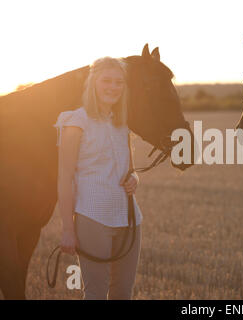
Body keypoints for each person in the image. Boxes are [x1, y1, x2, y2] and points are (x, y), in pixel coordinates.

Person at [54, 57, 142, 300]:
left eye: (119, 82)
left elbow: (130, 169)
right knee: (95, 293)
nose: (113, 87)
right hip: (93, 218)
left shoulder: (122, 123)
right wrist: (68, 229)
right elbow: (64, 178)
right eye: (106, 81)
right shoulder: (75, 121)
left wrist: (135, 180)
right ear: (93, 82)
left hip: (130, 219)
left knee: (123, 293)